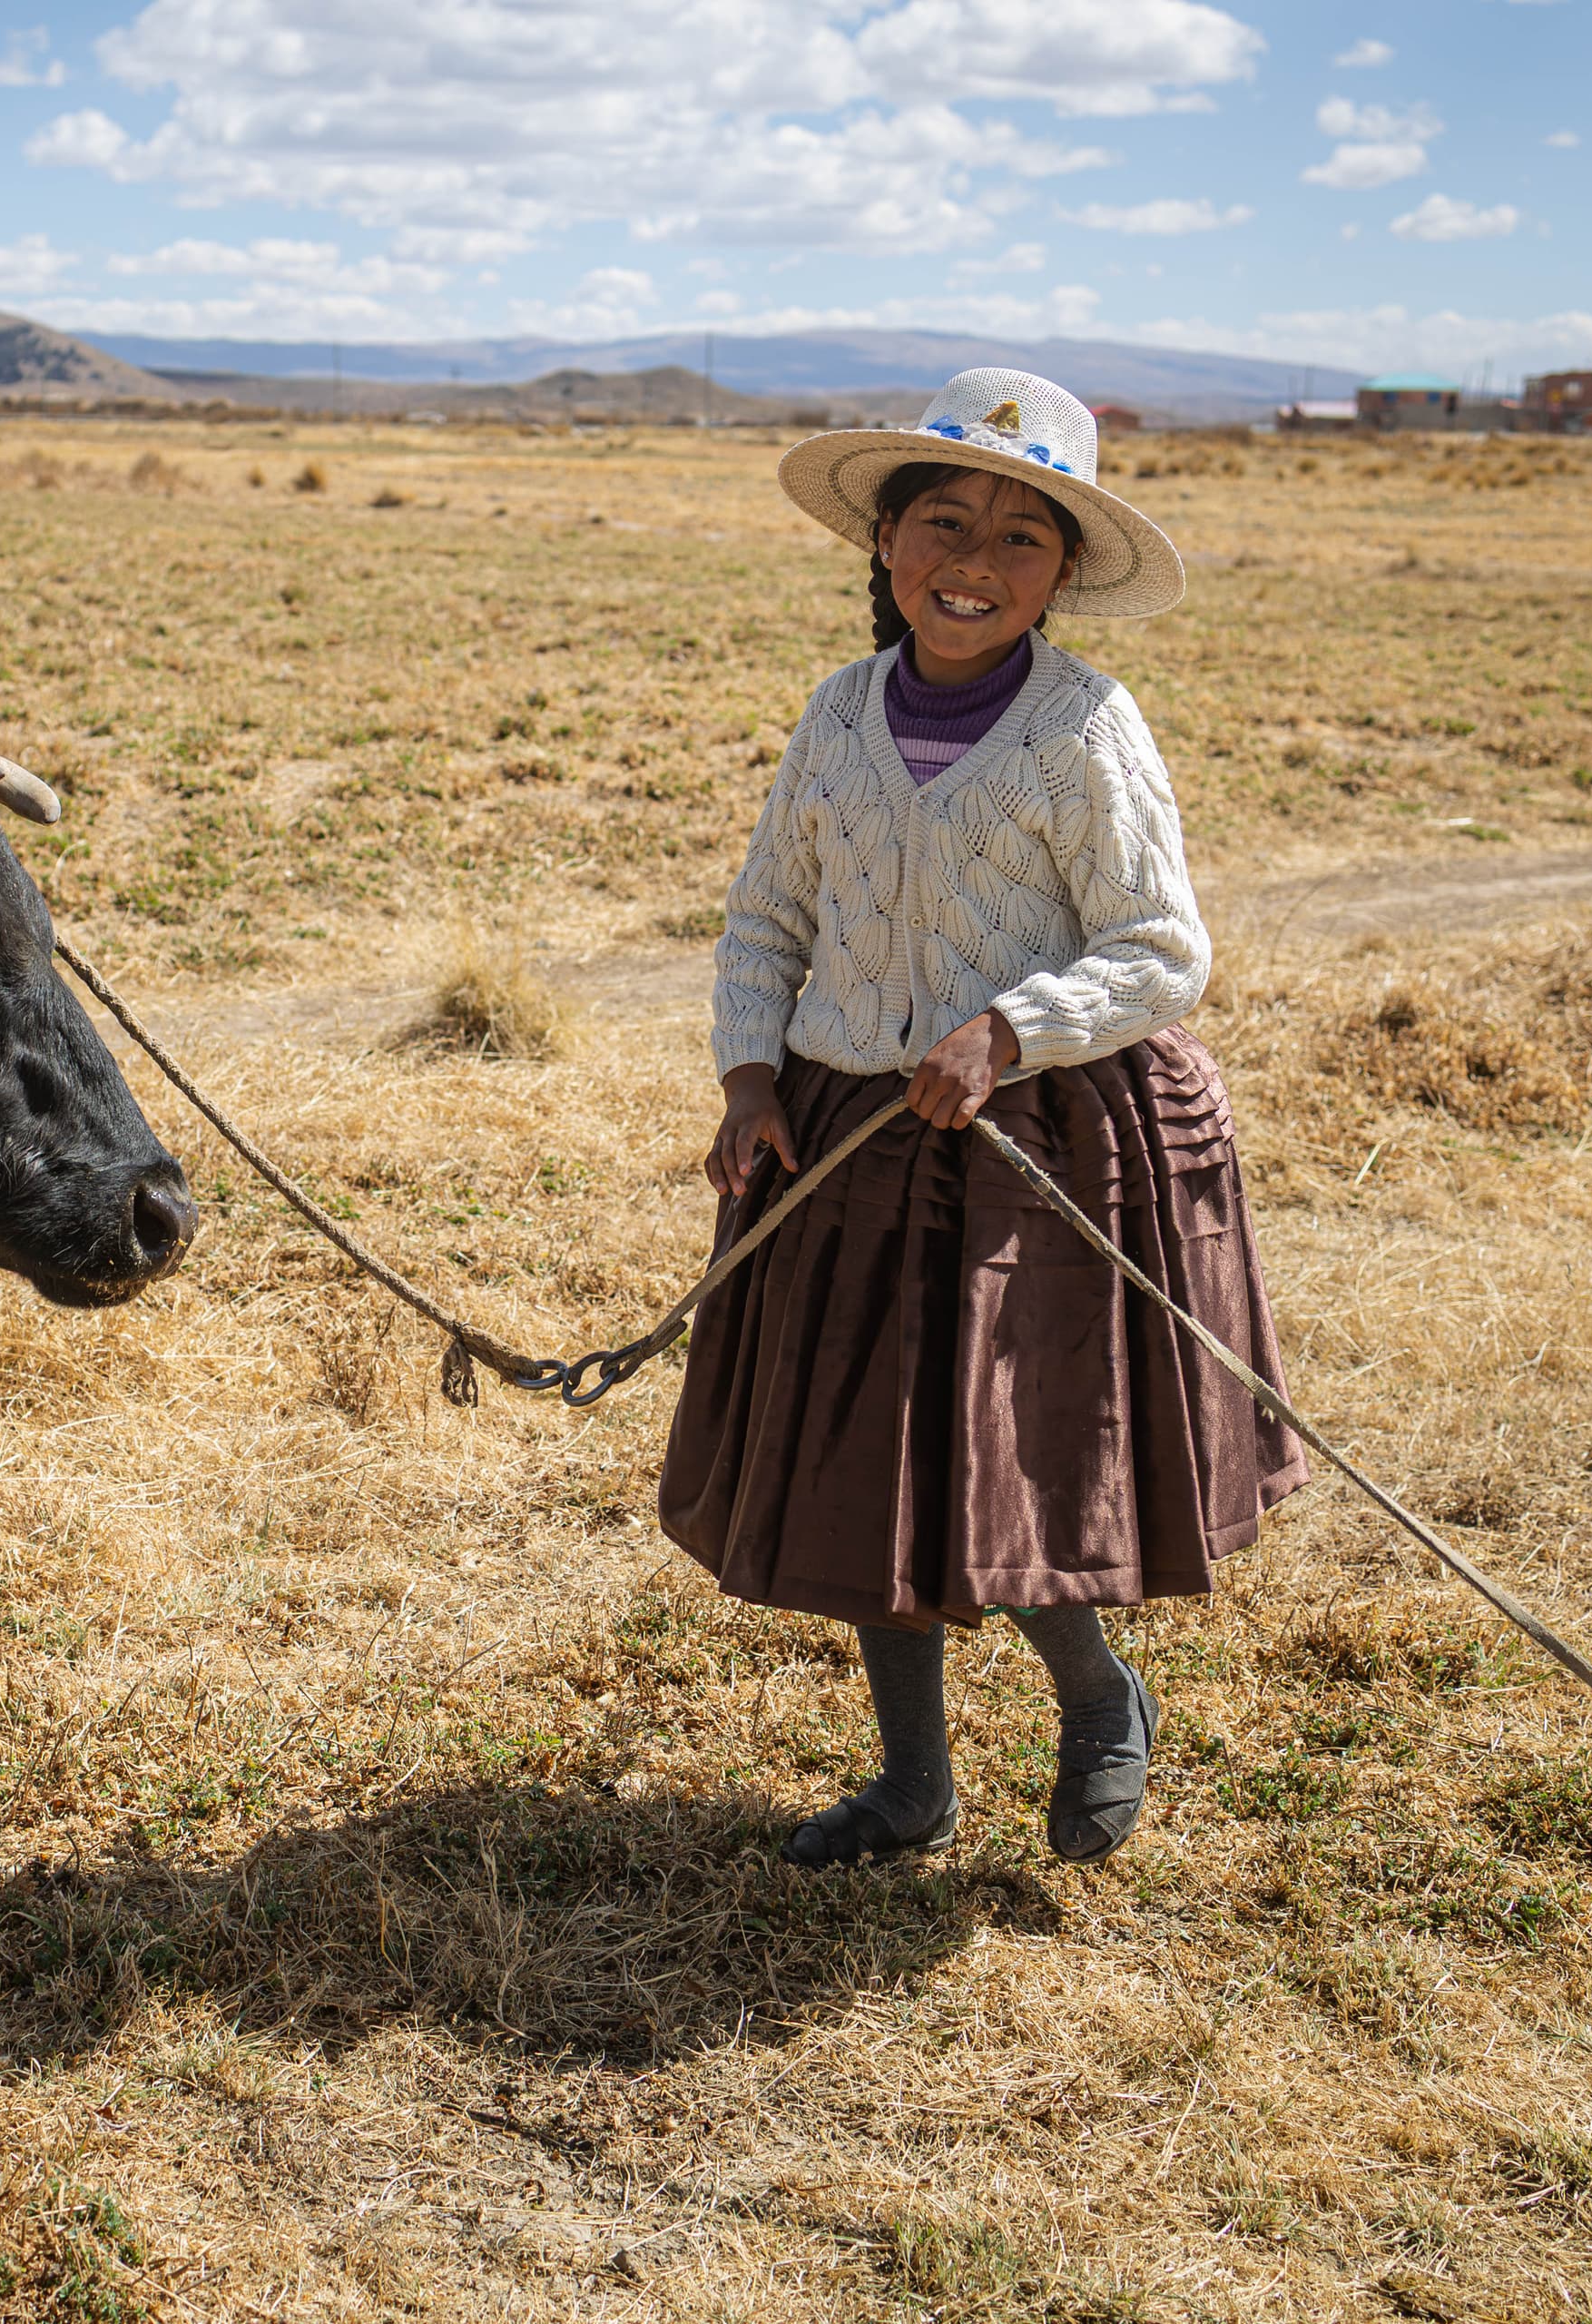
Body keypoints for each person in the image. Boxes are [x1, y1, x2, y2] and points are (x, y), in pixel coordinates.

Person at [659, 369, 1307, 1869]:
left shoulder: (1086, 727)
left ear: (1063, 575)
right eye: (942, 518)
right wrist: (751, 1076)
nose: (975, 557)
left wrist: (1011, 1028)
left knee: (997, 1460)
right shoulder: (839, 715)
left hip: (1037, 1149)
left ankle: (1098, 1697)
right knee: (866, 1469)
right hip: (844, 1141)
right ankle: (912, 1787)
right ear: (882, 546)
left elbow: (1160, 949)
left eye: (1023, 536)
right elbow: (766, 920)